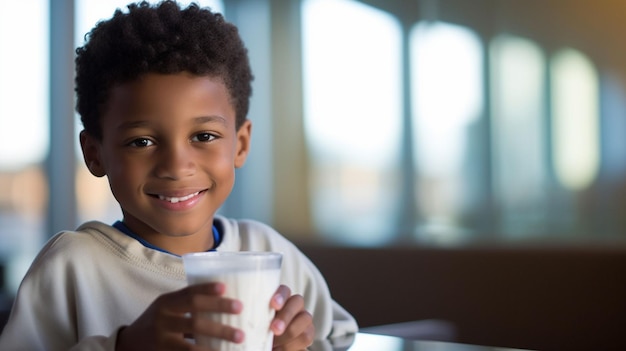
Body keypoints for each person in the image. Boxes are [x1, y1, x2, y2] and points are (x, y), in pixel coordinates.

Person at [0, 1, 358, 350]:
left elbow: (340, 339)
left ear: (241, 144)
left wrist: (298, 344)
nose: (176, 166)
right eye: (141, 141)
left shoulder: (270, 253)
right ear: (95, 154)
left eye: (203, 137)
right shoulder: (70, 269)